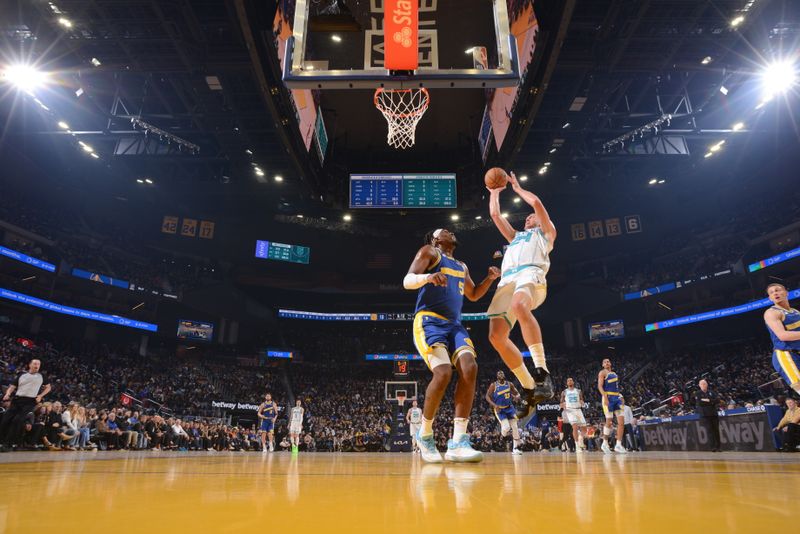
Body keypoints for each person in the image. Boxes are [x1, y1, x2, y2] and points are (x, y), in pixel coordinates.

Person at [404, 227, 500, 463]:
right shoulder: (430, 252)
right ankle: (425, 434)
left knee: (470, 368)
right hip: (429, 320)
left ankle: (458, 441)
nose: (449, 231)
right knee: (444, 372)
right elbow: (407, 281)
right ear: (436, 239)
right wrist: (428, 277)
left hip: (455, 324)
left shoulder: (462, 266)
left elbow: (474, 294)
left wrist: (489, 278)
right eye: (443, 230)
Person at [486, 171, 556, 423]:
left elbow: (536, 203)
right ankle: (529, 388)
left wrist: (516, 189)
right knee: (495, 336)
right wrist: (494, 193)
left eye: (531, 217)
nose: (528, 217)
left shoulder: (546, 234)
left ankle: (542, 373)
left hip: (531, 277)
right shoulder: (516, 237)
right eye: (526, 217)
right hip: (507, 281)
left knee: (518, 304)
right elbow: (495, 215)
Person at [0, 358, 51, 451]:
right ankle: (2, 441)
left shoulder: (42, 376)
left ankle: (9, 444)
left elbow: (48, 388)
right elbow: (12, 386)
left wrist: (40, 395)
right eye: (35, 364)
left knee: (17, 420)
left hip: (30, 401)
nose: (37, 366)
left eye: (39, 364)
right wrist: (7, 394)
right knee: (5, 419)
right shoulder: (22, 374)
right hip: (17, 399)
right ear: (30, 365)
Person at [763, 283, 800, 396]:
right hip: (786, 355)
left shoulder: (796, 312)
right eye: (772, 292)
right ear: (770, 298)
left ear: (786, 293)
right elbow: (783, 336)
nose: (775, 293)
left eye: (777, 290)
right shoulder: (771, 313)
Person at [485, 370, 523, 455]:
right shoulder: (493, 385)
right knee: (506, 428)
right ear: (497, 376)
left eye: (502, 373)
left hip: (510, 408)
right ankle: (503, 434)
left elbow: (517, 394)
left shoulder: (509, 384)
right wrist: (494, 405)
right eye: (499, 373)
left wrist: (517, 397)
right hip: (500, 410)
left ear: (504, 375)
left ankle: (515, 448)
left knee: (515, 427)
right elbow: (487, 396)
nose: (501, 374)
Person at [598, 358, 627, 454]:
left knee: (621, 422)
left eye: (608, 361)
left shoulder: (614, 374)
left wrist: (620, 396)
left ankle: (618, 445)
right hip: (608, 397)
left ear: (610, 363)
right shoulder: (602, 373)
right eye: (605, 362)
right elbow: (600, 386)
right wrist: (605, 397)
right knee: (609, 421)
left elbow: (616, 387)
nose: (607, 363)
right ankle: (605, 442)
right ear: (603, 365)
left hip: (616, 397)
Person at [560, 377, 586, 452]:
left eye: (571, 380)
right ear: (567, 383)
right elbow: (561, 403)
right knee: (575, 427)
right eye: (568, 381)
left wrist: (582, 402)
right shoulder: (564, 392)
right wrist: (562, 405)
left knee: (584, 429)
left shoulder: (578, 391)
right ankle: (577, 445)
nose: (570, 381)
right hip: (570, 410)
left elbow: (581, 399)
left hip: (578, 410)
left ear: (573, 382)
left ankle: (580, 438)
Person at [695, 380, 721, 452]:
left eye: (705, 384)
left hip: (714, 414)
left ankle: (718, 447)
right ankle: (712, 447)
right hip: (705, 415)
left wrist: (708, 400)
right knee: (709, 431)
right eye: (702, 384)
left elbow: (718, 400)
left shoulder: (712, 392)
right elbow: (700, 403)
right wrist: (711, 401)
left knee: (716, 430)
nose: (703, 385)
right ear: (699, 385)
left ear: (707, 385)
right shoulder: (698, 393)